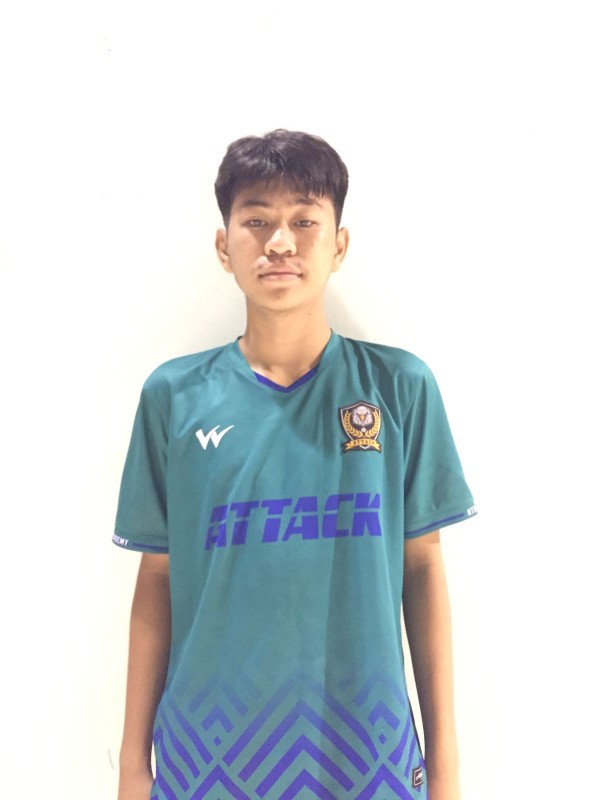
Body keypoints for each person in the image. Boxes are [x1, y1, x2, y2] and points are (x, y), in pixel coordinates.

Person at [114, 129, 477, 800]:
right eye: (256, 220)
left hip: (365, 756)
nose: (280, 242)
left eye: (304, 221)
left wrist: (446, 767)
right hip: (207, 758)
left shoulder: (399, 389)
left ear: (339, 244)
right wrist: (132, 766)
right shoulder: (174, 397)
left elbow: (423, 568)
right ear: (223, 246)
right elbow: (157, 578)